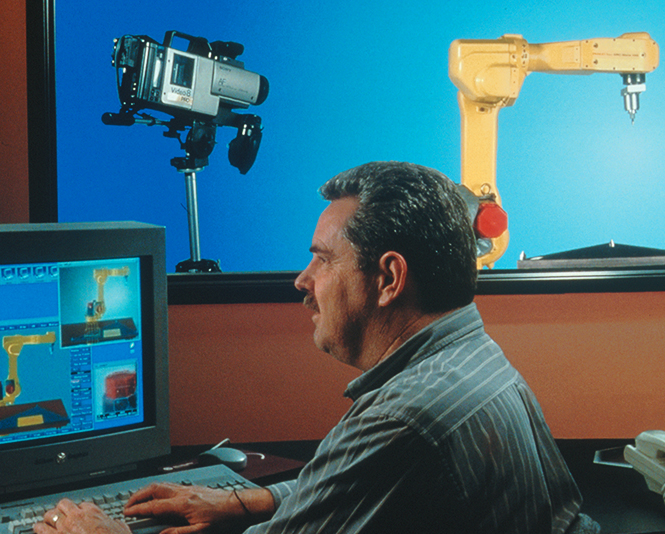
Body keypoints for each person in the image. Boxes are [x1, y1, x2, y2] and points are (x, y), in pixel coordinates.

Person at [35, 161, 597, 534]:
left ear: (388, 279)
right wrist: (248, 500)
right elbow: (363, 488)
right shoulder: (472, 358)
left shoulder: (405, 419)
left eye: (322, 259)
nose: (303, 281)